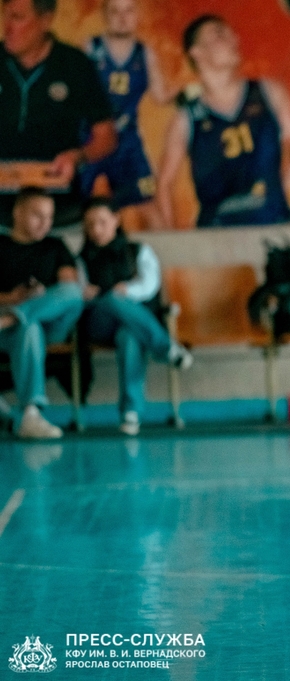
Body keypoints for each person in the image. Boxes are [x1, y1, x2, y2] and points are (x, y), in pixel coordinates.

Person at [156, 14, 290, 228]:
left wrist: (277, 195)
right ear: (197, 52)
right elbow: (164, 184)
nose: (233, 40)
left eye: (232, 35)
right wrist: (173, 241)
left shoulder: (269, 92)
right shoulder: (186, 117)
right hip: (217, 230)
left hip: (271, 224)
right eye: (219, 34)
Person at [78, 197, 192, 436]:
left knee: (128, 336)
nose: (96, 230)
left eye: (102, 222)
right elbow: (81, 293)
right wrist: (107, 294)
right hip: (99, 322)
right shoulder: (81, 258)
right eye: (90, 224)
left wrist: (126, 291)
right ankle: (166, 347)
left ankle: (130, 413)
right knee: (111, 299)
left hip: (133, 322)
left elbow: (149, 285)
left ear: (116, 220)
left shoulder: (138, 250)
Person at [0, 0, 116, 227]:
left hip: (60, 210)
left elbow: (106, 137)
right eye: (5, 16)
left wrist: (78, 157)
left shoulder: (75, 65)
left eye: (18, 17)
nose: (8, 26)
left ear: (45, 20)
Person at [81, 0, 174, 229]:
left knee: (148, 204)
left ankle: (170, 253)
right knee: (78, 206)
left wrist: (186, 90)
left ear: (136, 15)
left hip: (127, 142)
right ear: (105, 15)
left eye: (128, 11)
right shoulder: (90, 47)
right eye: (115, 11)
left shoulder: (145, 53)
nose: (122, 18)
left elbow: (160, 96)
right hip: (90, 139)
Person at [0, 187, 83, 439]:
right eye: (37, 215)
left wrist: (41, 295)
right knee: (29, 327)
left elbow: (69, 288)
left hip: (51, 324)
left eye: (49, 217)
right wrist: (11, 298)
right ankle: (31, 414)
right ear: (18, 213)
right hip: (12, 334)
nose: (45, 223)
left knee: (72, 292)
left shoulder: (55, 246)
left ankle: (13, 317)